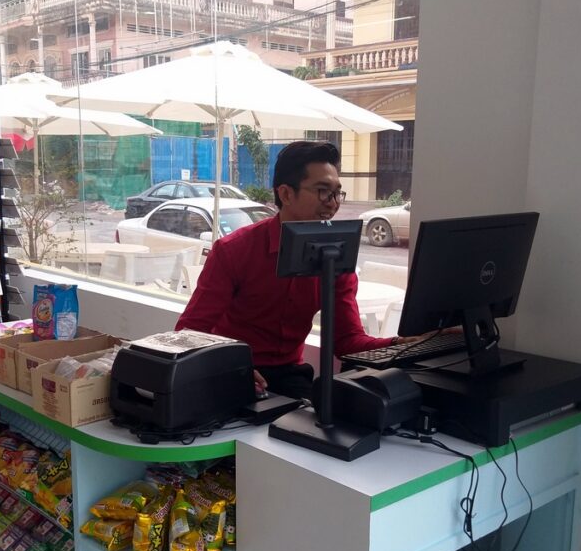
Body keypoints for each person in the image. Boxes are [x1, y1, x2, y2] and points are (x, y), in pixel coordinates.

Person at [175, 140, 419, 399]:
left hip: (291, 377)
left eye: (337, 193)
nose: (333, 203)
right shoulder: (234, 250)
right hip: (230, 374)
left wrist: (402, 344)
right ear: (286, 194)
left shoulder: (336, 256)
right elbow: (188, 333)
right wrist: (227, 369)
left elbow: (346, 342)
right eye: (323, 191)